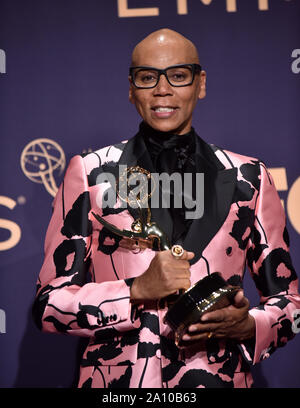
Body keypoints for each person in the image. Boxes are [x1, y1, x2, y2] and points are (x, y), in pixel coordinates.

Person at [33, 28, 300, 388]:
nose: (163, 89)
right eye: (148, 78)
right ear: (131, 89)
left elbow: (289, 301)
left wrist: (250, 325)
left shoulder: (250, 177)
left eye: (178, 76)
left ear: (200, 84)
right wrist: (135, 290)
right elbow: (48, 305)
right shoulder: (91, 172)